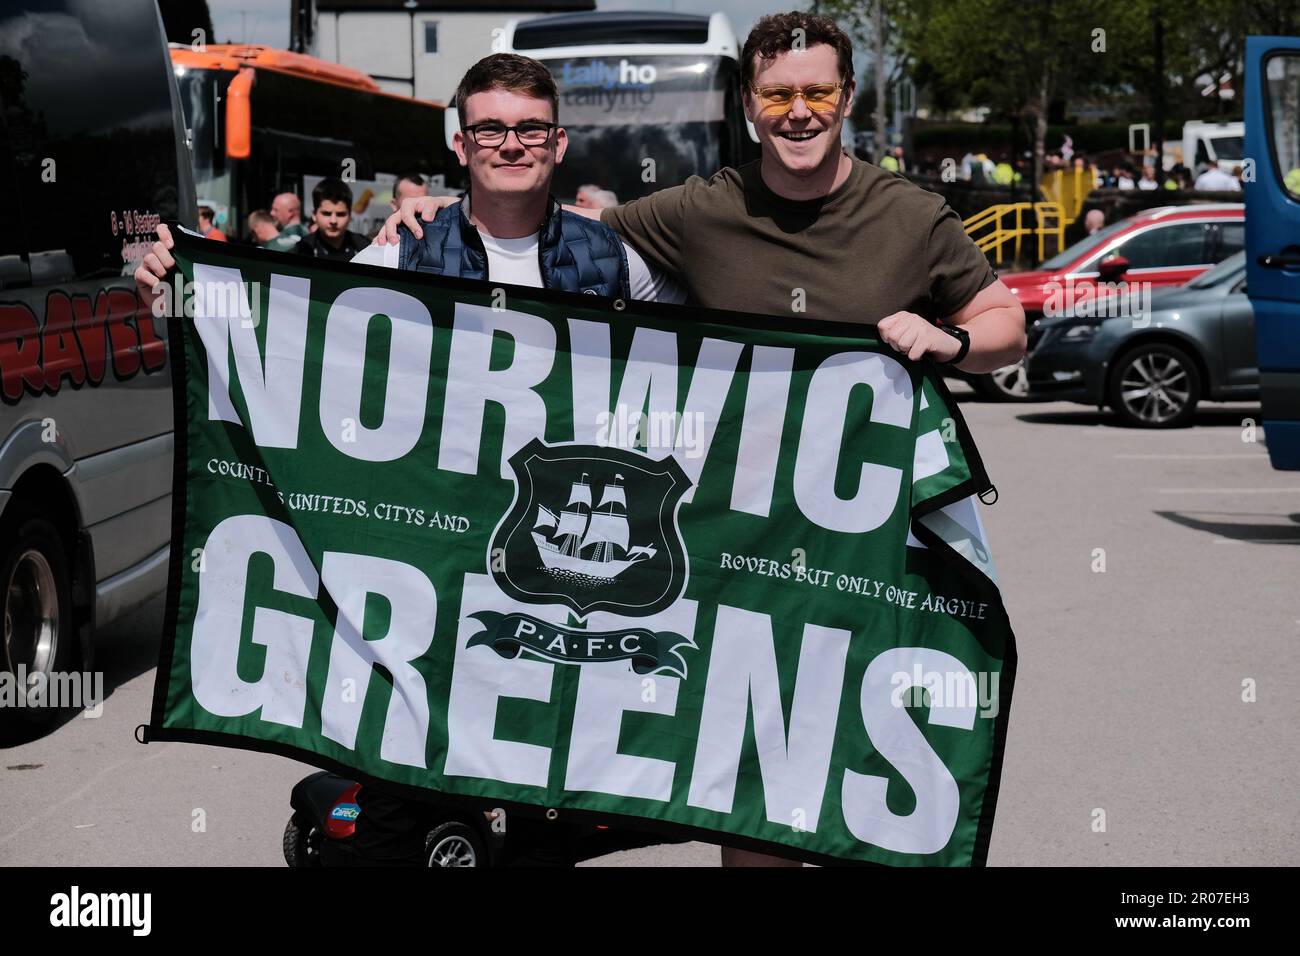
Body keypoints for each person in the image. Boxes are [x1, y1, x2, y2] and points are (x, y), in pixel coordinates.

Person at [379, 11, 1026, 867]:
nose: (799, 111)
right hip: (740, 540)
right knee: (755, 785)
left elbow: (1006, 325)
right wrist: (429, 208)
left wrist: (953, 343)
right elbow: (563, 244)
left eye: (818, 91)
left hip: (878, 545)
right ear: (750, 102)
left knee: (877, 780)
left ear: (848, 97)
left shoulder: (911, 214)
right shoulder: (699, 208)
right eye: (778, 93)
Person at [292, 178, 371, 259]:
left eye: (340, 214)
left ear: (350, 216)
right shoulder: (302, 250)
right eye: (327, 214)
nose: (333, 221)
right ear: (314, 215)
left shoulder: (365, 248)